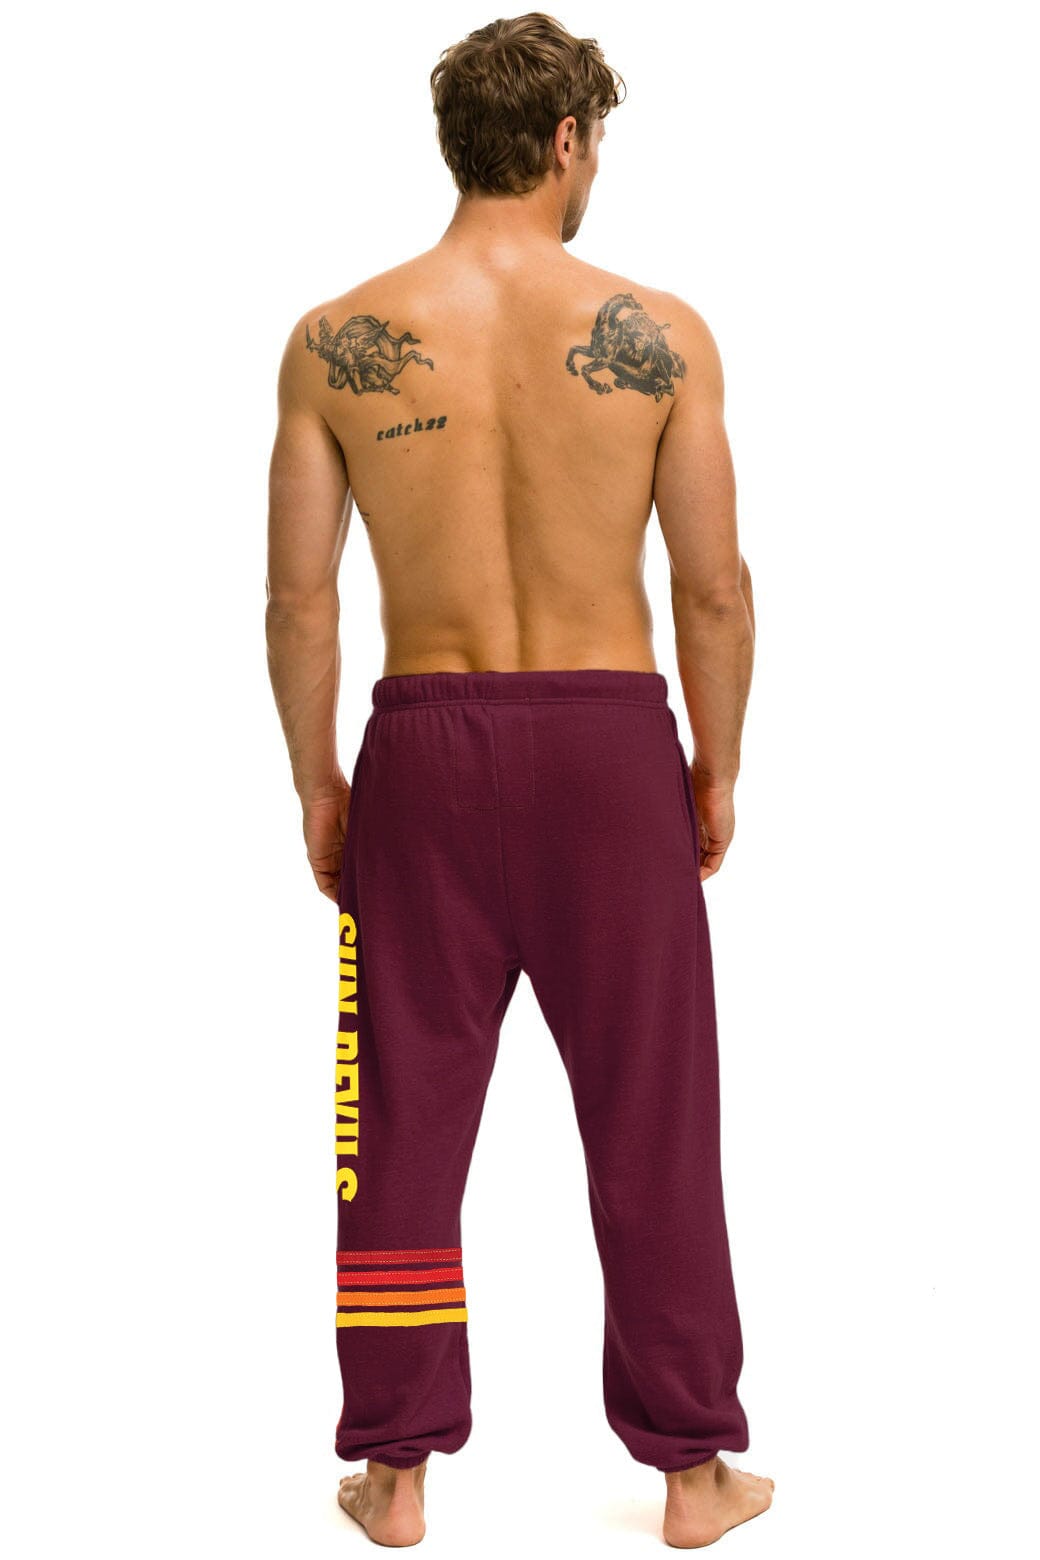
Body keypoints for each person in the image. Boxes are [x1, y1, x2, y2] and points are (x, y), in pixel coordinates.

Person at [265, 12, 770, 1550]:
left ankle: (396, 1470)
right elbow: (713, 590)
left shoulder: (337, 337)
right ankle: (693, 1471)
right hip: (610, 750)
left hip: (421, 747)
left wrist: (319, 788)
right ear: (566, 140)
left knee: (398, 1116)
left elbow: (298, 603)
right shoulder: (658, 333)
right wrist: (715, 767)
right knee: (653, 1111)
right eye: (594, 141)